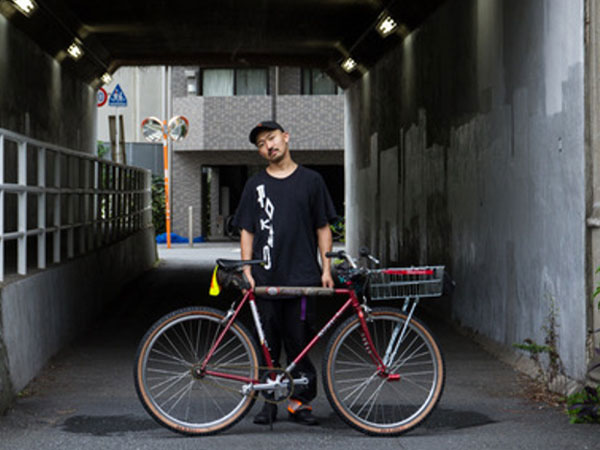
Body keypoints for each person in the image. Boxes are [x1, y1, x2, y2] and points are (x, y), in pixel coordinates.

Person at [232, 120, 337, 426]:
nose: (269, 146)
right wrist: (246, 270)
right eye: (262, 144)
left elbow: (323, 227)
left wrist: (326, 268)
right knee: (266, 342)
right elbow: (247, 230)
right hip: (264, 276)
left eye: (272, 138)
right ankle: (268, 403)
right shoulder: (255, 185)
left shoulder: (311, 181)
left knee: (299, 340)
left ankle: (299, 403)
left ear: (286, 137)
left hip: (302, 276)